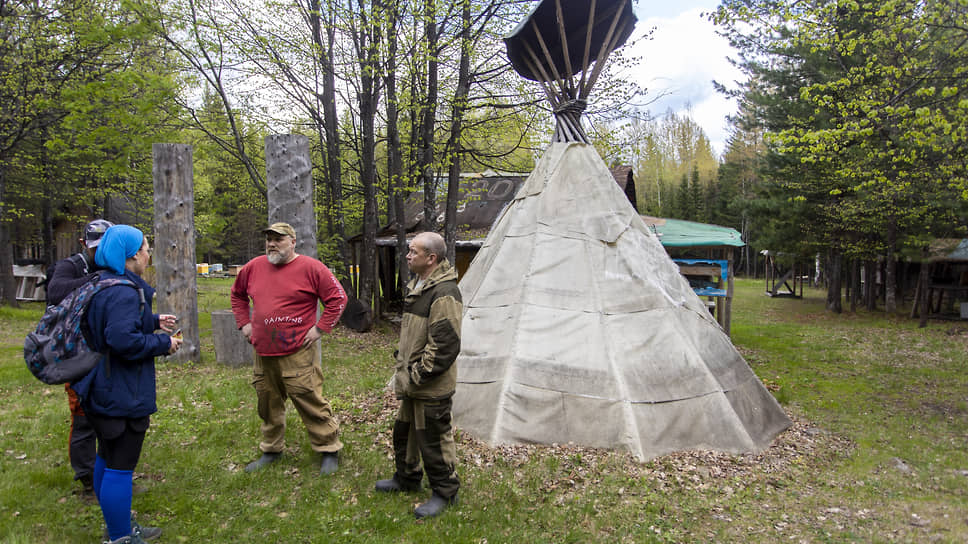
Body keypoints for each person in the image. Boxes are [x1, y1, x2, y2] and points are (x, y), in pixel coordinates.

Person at [72, 225, 182, 544]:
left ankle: (117, 525)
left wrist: (152, 320)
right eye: (147, 249)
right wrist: (162, 344)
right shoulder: (122, 290)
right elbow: (121, 339)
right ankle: (120, 538)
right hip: (119, 390)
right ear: (133, 254)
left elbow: (108, 324)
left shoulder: (100, 282)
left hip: (98, 385)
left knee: (106, 457)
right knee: (121, 465)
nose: (149, 255)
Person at [230, 222, 348, 475]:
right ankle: (271, 449)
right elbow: (237, 295)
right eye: (269, 239)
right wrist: (244, 324)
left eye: (278, 239)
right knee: (268, 401)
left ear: (293, 242)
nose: (272, 244)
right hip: (263, 350)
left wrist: (319, 329)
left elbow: (338, 298)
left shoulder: (311, 268)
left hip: (297, 350)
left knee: (308, 398)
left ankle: (328, 448)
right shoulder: (253, 268)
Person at [375, 231, 462, 519]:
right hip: (412, 382)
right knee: (406, 434)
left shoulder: (445, 292)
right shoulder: (421, 284)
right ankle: (407, 478)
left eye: (414, 251)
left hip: (430, 385)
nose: (408, 256)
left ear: (431, 258)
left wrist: (417, 374)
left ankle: (445, 492)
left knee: (434, 440)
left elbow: (445, 345)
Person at [44, 218, 112, 500]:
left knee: (108, 412)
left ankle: (108, 471)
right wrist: (96, 280)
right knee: (82, 415)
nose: (100, 253)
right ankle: (86, 478)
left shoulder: (112, 266)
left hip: (102, 349)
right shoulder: (70, 267)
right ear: (85, 244)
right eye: (95, 247)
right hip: (73, 352)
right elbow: (55, 291)